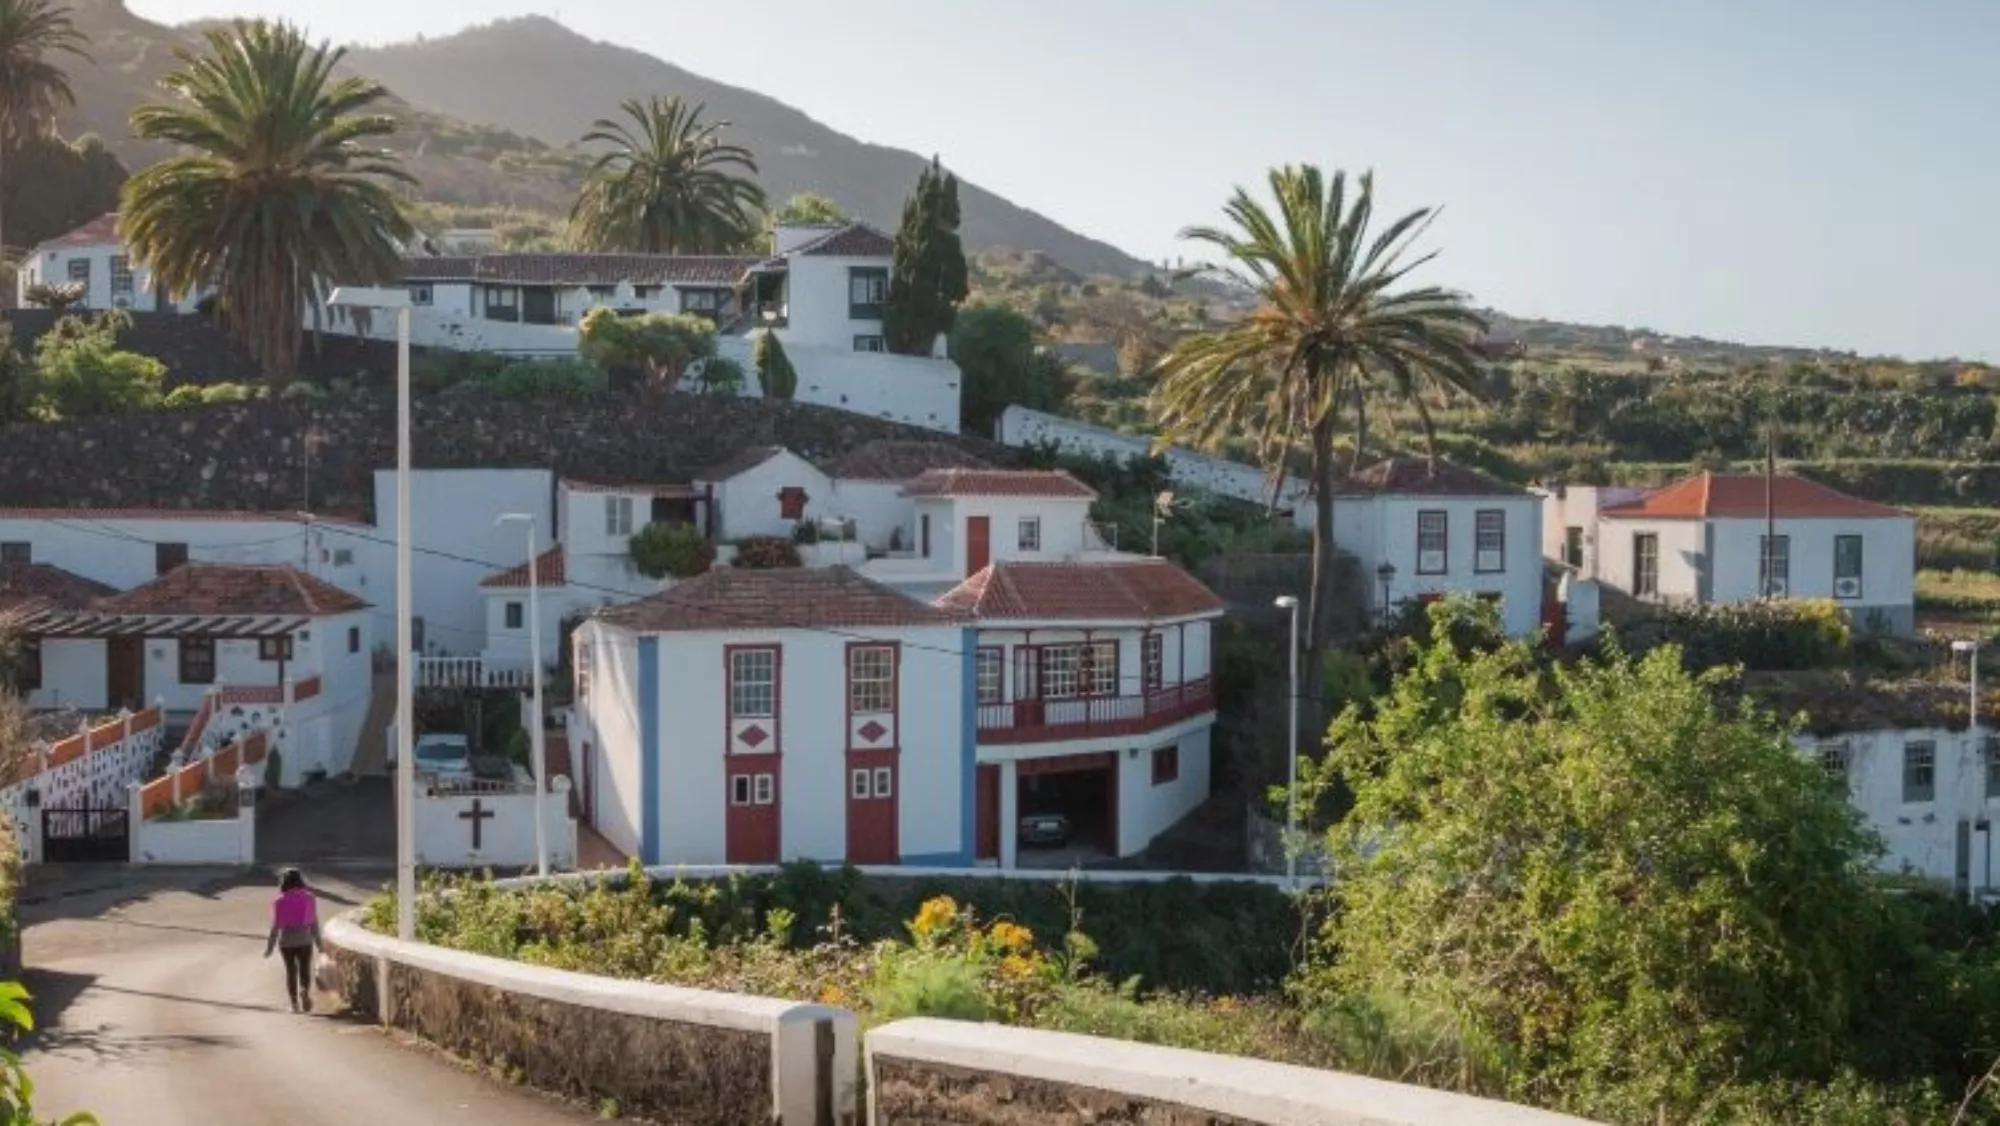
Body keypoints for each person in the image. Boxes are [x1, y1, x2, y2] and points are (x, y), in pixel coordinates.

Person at [263, 868, 323, 1012]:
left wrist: (269, 948)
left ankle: (294, 1004)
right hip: (304, 939)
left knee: (291, 971)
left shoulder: (279, 901)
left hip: (286, 941)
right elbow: (313, 922)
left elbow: (275, 927)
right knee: (304, 969)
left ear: (284, 882)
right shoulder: (309, 897)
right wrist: (319, 944)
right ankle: (304, 990)